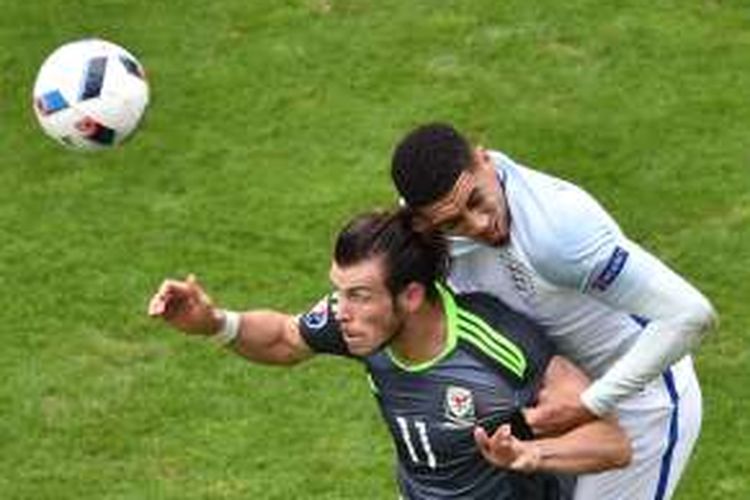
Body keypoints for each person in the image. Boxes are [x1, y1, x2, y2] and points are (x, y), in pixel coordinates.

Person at [148, 210, 631, 500]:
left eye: (357, 294)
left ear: (411, 297)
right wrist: (215, 323)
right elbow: (283, 337)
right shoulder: (359, 324)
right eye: (337, 291)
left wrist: (532, 453)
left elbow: (612, 443)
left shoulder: (498, 346)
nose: (340, 310)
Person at [390, 123, 718, 500]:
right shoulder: (427, 227)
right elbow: (378, 282)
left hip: (643, 405)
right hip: (549, 402)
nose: (479, 224)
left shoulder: (557, 232)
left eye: (477, 201)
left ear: (485, 159)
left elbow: (690, 314)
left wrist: (589, 403)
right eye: (453, 223)